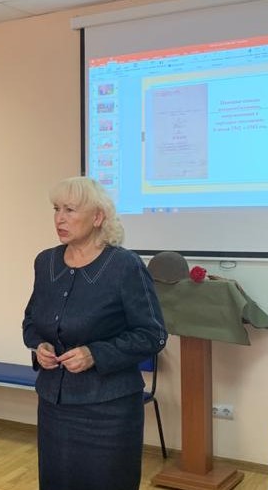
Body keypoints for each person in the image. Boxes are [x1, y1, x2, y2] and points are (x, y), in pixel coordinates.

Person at [22, 176, 168, 490]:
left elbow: (152, 334)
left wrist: (95, 354)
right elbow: (30, 320)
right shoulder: (46, 262)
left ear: (98, 217)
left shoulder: (125, 266)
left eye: (70, 210)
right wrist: (39, 345)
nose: (59, 218)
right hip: (54, 406)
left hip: (108, 411)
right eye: (56, 209)